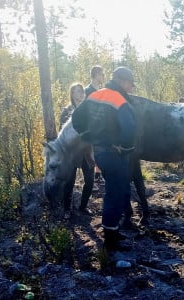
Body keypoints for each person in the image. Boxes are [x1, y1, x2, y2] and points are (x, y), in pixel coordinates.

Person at [72, 66, 137, 253]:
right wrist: (125, 148)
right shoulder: (119, 99)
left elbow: (76, 118)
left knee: (117, 191)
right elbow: (130, 127)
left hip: (100, 153)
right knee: (114, 193)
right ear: (122, 82)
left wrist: (89, 137)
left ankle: (113, 231)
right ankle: (110, 240)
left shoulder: (94, 95)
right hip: (114, 154)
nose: (131, 88)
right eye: (130, 84)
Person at [59, 83, 95, 219]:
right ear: (72, 94)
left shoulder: (89, 109)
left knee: (90, 181)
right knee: (69, 182)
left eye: (81, 91)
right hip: (72, 153)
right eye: (77, 91)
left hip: (87, 151)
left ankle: (83, 207)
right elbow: (62, 132)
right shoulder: (66, 111)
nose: (80, 93)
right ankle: (67, 209)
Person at [85, 65, 105, 181]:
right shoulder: (87, 91)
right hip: (91, 127)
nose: (103, 77)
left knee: (99, 150)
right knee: (92, 152)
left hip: (100, 126)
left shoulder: (101, 91)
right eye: (102, 74)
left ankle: (98, 176)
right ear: (97, 75)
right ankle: (93, 178)